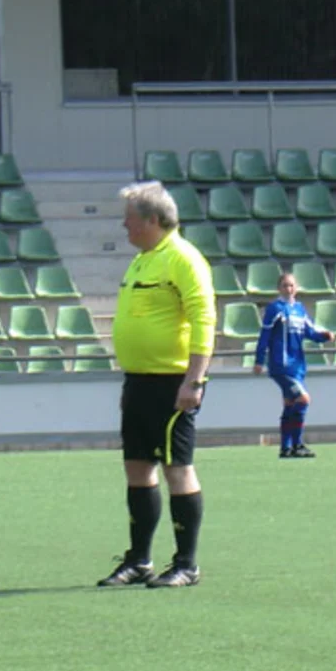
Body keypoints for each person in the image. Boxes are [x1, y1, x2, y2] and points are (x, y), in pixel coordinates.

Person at [97, 180, 216, 589]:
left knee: (177, 468)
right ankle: (139, 560)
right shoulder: (142, 260)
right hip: (140, 382)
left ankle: (186, 563)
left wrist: (194, 379)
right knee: (136, 466)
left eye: (129, 219)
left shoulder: (183, 258)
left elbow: (204, 319)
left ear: (151, 220)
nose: (124, 226)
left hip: (173, 381)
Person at [253, 272, 335, 458]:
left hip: (297, 365)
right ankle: (297, 443)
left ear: (296, 288)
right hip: (281, 365)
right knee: (303, 400)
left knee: (290, 403)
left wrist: (325, 336)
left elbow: (310, 332)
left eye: (291, 285)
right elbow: (264, 335)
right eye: (285, 286)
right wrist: (259, 360)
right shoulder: (275, 308)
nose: (289, 289)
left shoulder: (299, 309)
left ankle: (286, 447)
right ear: (279, 288)